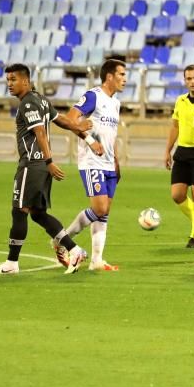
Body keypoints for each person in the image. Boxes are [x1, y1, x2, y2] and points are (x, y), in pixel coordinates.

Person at [0, 63, 86, 275]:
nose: (9, 85)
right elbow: (63, 121)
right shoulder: (41, 99)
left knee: (19, 211)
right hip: (41, 166)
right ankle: (75, 250)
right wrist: (82, 131)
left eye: (13, 80)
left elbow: (40, 132)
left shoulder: (28, 104)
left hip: (32, 164)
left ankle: (12, 263)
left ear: (25, 80)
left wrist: (49, 161)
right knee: (38, 214)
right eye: (7, 81)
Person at [58, 58, 127, 271]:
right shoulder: (93, 96)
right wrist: (89, 140)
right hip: (91, 161)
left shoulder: (115, 102)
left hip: (108, 164)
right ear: (109, 76)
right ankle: (63, 241)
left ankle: (97, 260)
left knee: (104, 212)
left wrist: (115, 159)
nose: (125, 79)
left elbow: (110, 134)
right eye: (121, 74)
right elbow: (70, 119)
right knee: (99, 207)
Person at [165, 64, 194, 248]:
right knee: (177, 195)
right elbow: (175, 126)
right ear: (185, 81)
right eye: (189, 79)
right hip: (182, 152)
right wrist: (168, 150)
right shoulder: (180, 101)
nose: (192, 82)